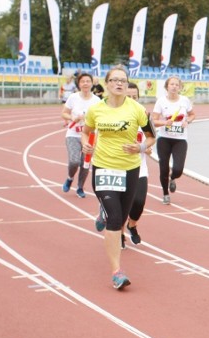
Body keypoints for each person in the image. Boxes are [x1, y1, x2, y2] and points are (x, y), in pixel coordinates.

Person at [82, 65, 153, 289]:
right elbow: (87, 131)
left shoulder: (137, 109)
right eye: (115, 80)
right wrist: (85, 142)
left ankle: (104, 212)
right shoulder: (96, 110)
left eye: (123, 80)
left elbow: (152, 136)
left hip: (130, 169)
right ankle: (117, 271)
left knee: (121, 217)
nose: (119, 83)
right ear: (107, 83)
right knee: (114, 219)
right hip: (103, 167)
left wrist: (140, 147)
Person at [151, 75, 195, 205]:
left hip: (180, 140)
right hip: (164, 139)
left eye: (177, 84)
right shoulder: (161, 102)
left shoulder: (185, 101)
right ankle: (165, 193)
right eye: (172, 84)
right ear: (167, 87)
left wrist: (187, 120)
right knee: (163, 168)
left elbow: (192, 114)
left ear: (180, 87)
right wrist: (165, 123)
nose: (174, 86)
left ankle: (173, 177)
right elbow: (153, 121)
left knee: (178, 169)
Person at [122, 81, 155, 249]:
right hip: (118, 167)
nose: (132, 99)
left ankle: (132, 225)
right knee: (121, 204)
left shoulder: (143, 114)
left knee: (139, 202)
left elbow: (150, 139)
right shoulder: (114, 115)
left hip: (139, 167)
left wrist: (145, 148)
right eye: (128, 96)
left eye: (135, 97)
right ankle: (119, 233)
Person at [60, 72, 100, 198]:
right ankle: (70, 177)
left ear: (92, 83)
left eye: (88, 81)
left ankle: (80, 187)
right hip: (73, 134)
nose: (85, 83)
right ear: (79, 84)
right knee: (74, 161)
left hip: (89, 136)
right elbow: (64, 113)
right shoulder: (73, 97)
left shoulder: (97, 100)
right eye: (83, 81)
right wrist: (73, 117)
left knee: (85, 163)